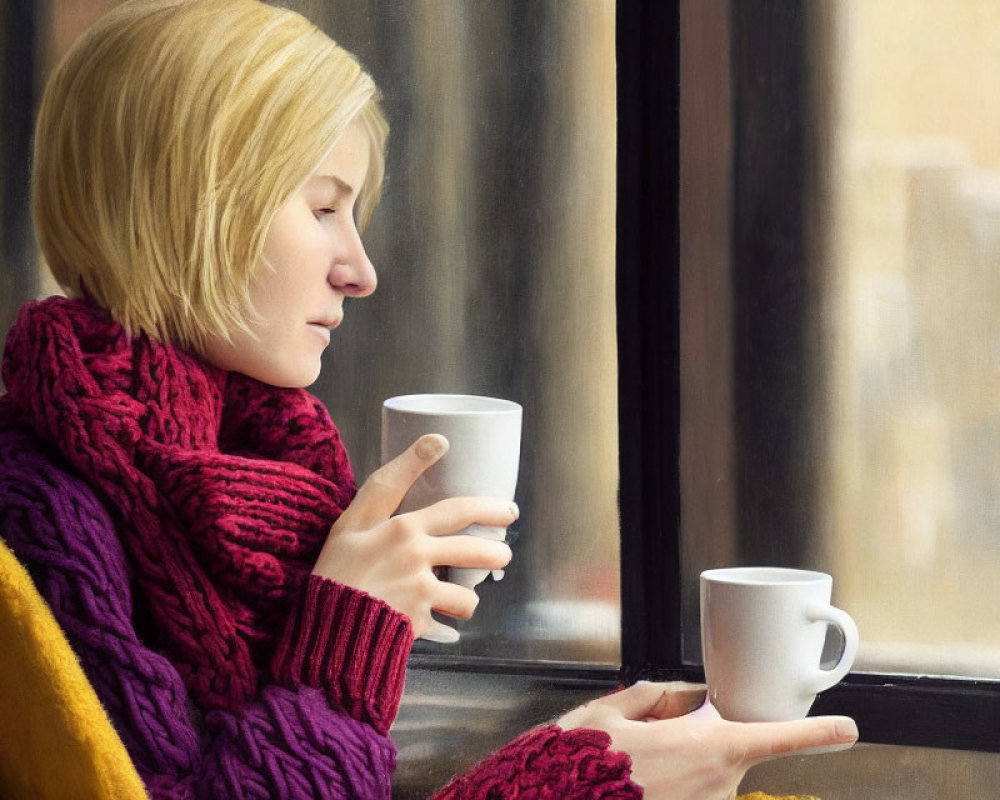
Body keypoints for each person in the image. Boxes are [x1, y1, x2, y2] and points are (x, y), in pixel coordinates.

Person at [0, 0, 858, 797]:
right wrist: (351, 633)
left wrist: (571, 763)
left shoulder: (261, 467)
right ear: (186, 208)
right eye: (324, 208)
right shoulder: (42, 513)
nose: (360, 271)